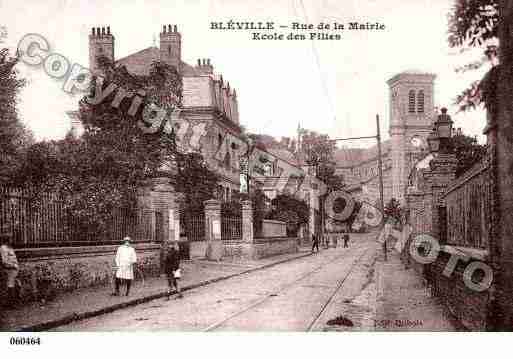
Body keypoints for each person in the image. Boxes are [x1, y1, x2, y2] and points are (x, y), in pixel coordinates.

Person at [1, 235, 19, 308]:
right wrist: (13, 266)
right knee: (11, 286)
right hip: (10, 270)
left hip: (14, 270)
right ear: (7, 240)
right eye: (10, 239)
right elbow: (4, 261)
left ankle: (11, 302)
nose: (12, 241)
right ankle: (11, 304)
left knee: (17, 285)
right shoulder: (3, 248)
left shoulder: (10, 248)